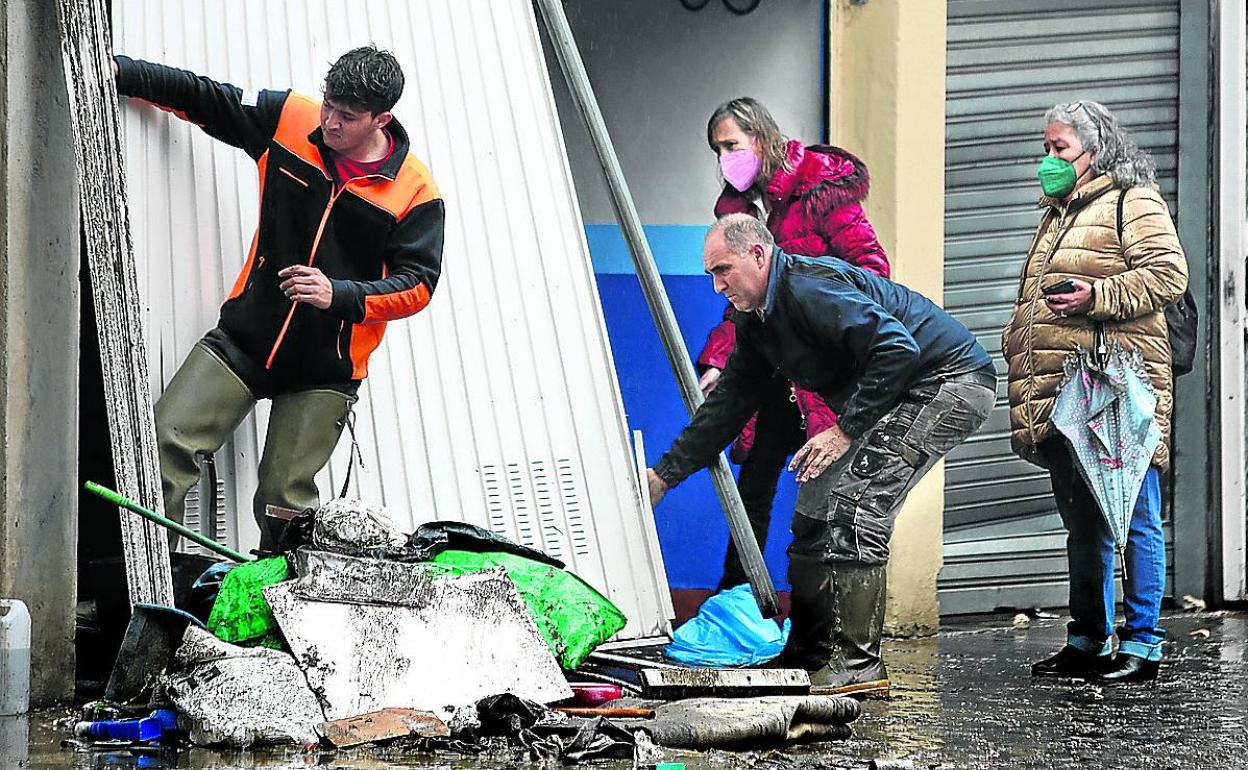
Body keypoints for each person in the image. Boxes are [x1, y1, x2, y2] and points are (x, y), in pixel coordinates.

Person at [648, 214, 996, 696]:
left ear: (758, 254)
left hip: (949, 382)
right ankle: (810, 653)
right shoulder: (757, 322)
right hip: (900, 392)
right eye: (711, 273)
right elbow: (727, 407)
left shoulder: (809, 288)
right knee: (814, 506)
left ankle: (857, 666)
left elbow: (897, 349)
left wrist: (844, 430)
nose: (716, 285)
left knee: (856, 507)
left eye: (723, 269)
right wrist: (664, 475)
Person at [113, 46, 445, 548]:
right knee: (160, 448)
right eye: (329, 104)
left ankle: (274, 618)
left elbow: (417, 286)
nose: (329, 122)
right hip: (245, 338)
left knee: (284, 507)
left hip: (324, 371)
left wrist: (339, 294)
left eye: (347, 116)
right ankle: (148, 598)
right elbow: (206, 99)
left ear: (382, 119)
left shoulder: (415, 193)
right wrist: (124, 73)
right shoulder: (291, 120)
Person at [1003, 101, 1187, 684]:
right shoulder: (1056, 213)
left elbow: (1168, 274)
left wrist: (1095, 296)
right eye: (1046, 148)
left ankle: (1143, 643)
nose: (1047, 160)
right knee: (1083, 522)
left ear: (1096, 149)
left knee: (1134, 517)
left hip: (1117, 390)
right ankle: (1088, 639)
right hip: (1066, 394)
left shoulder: (1133, 200)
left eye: (1059, 148)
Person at [697, 97, 890, 591]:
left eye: (732, 146)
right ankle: (736, 598)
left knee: (827, 493)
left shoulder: (821, 193)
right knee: (755, 484)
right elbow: (739, 300)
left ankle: (826, 613)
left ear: (761, 139)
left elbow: (873, 271)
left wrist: (818, 320)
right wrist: (719, 360)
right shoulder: (740, 213)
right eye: (717, 149)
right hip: (773, 367)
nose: (725, 159)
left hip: (822, 371)